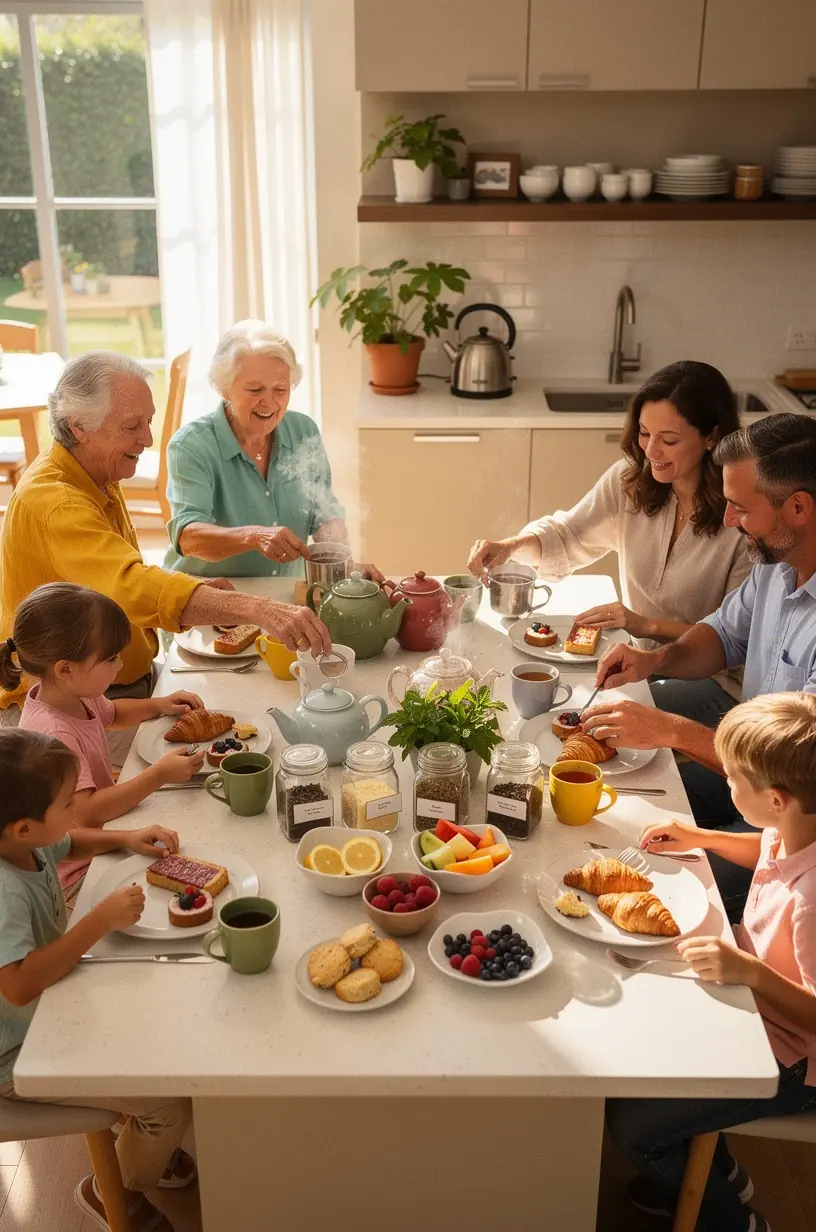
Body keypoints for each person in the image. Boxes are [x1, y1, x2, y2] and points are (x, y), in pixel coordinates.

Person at [0, 349, 331, 721]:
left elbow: (110, 574)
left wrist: (195, 589)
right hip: (75, 710)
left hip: (112, 690)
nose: (147, 438)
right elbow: (129, 586)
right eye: (131, 426)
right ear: (79, 426)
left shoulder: (95, 470)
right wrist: (258, 609)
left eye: (148, 421)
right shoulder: (58, 502)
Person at [583, 413, 816, 919]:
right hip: (755, 784)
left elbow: (794, 774)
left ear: (797, 507)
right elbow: (723, 635)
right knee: (625, 812)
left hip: (797, 823)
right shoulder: (777, 565)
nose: (728, 520)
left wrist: (672, 731)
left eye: (739, 508)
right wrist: (655, 661)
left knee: (659, 882)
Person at [607, 692, 816, 1232]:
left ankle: (730, 1220)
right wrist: (701, 837)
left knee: (632, 1125)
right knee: (635, 1044)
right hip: (749, 1002)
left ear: (775, 799)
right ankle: (712, 1173)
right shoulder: (795, 827)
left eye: (733, 781)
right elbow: (765, 847)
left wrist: (749, 972)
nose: (725, 786)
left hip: (792, 1062)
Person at [468, 361, 751, 707]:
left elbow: (736, 638)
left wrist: (644, 624)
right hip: (636, 660)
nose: (650, 451)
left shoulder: (741, 516)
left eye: (669, 440)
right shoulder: (629, 483)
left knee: (600, 714)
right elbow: (568, 535)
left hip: (713, 681)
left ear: (712, 437)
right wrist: (510, 546)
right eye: (645, 433)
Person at [0, 728, 195, 1232]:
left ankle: (139, 1139)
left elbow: (67, 841)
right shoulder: (3, 894)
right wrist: (98, 923)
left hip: (56, 1005)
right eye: (68, 802)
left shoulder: (24, 842)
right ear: (23, 828)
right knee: (170, 1102)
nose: (77, 810)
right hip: (16, 1055)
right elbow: (18, 986)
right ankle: (118, 1185)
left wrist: (124, 838)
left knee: (164, 1024)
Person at [0, 583, 206, 903]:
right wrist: (158, 775)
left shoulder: (71, 694)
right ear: (66, 669)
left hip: (108, 831)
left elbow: (113, 713)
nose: (120, 666)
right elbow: (88, 813)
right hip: (80, 869)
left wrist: (159, 704)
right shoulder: (53, 732)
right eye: (110, 659)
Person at [164, 320, 382, 581]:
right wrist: (255, 536)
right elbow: (188, 537)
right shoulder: (191, 446)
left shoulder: (304, 431)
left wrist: (342, 561)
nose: (269, 402)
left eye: (280, 389)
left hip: (282, 591)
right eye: (255, 389)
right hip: (208, 593)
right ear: (224, 388)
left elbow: (323, 511)